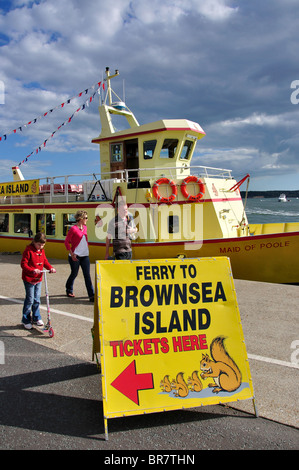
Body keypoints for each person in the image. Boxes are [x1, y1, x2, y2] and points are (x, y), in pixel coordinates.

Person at [21, 232, 56, 330]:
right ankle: (26, 319)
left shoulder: (41, 251)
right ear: (34, 242)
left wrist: (50, 268)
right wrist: (32, 270)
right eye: (39, 245)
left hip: (38, 279)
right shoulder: (28, 250)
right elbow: (23, 264)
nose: (40, 247)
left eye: (42, 245)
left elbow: (44, 261)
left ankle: (36, 317)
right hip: (29, 279)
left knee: (37, 299)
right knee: (30, 300)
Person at [64, 209, 94, 301]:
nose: (87, 219)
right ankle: (69, 289)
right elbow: (66, 242)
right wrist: (72, 254)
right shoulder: (73, 229)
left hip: (85, 255)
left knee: (87, 275)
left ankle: (91, 295)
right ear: (81, 218)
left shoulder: (85, 228)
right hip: (75, 255)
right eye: (86, 218)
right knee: (74, 273)